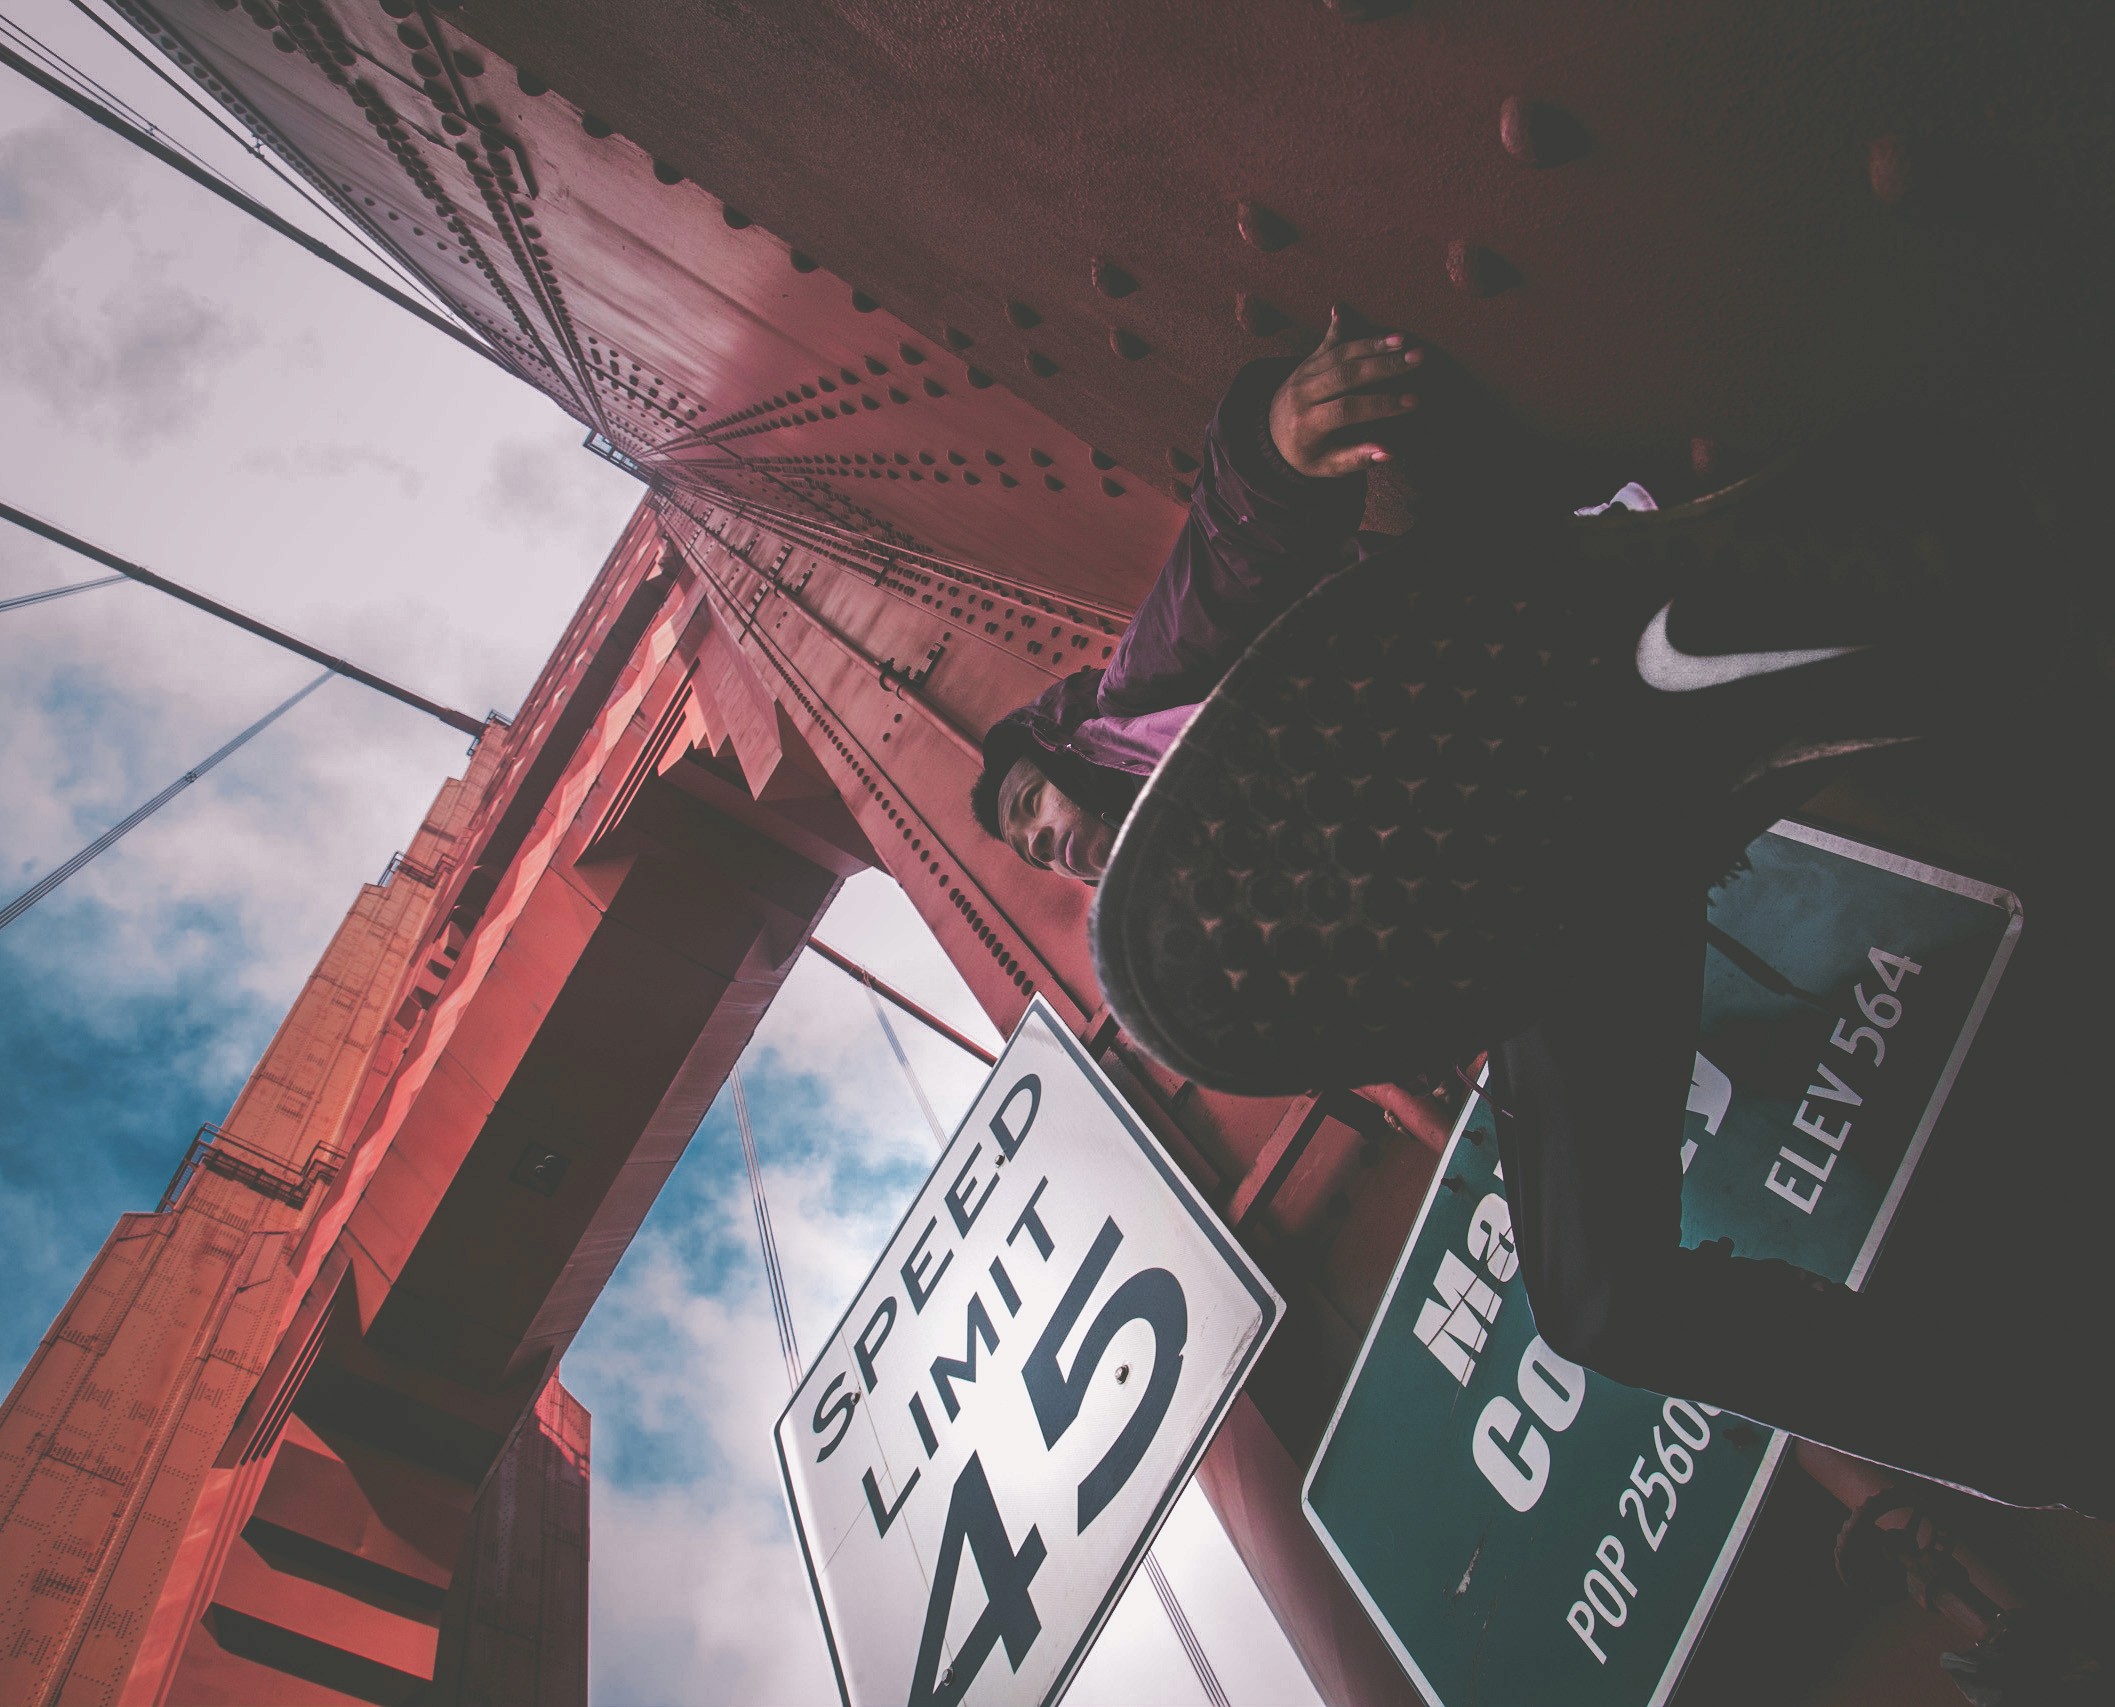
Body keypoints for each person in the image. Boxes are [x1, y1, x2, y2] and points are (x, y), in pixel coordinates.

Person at [970, 308, 1448, 883]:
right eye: (1036, 855)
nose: (1044, 841)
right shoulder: (1195, 890)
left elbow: (1218, 574)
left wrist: (1270, 458)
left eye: (1029, 804)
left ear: (1058, 749)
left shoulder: (1129, 711)